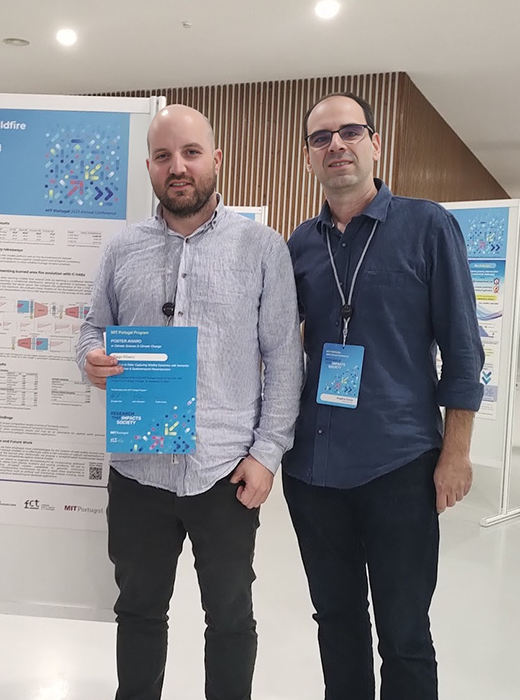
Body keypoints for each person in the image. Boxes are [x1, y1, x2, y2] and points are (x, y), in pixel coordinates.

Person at [76, 104, 303, 700]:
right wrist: (91, 358)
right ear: (150, 166)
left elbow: (285, 359)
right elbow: (92, 328)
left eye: (191, 152)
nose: (177, 166)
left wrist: (267, 454)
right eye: (163, 156)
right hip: (138, 471)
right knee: (138, 612)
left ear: (216, 160)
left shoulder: (261, 248)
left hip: (223, 474)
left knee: (229, 619)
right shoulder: (122, 249)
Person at [282, 92, 484, 700]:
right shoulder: (300, 245)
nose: (336, 146)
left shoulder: (428, 226)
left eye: (350, 132)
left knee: (404, 632)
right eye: (321, 137)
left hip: (400, 465)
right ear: (309, 156)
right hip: (313, 470)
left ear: (375, 142)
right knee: (336, 623)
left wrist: (456, 453)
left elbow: (463, 349)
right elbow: (271, 346)